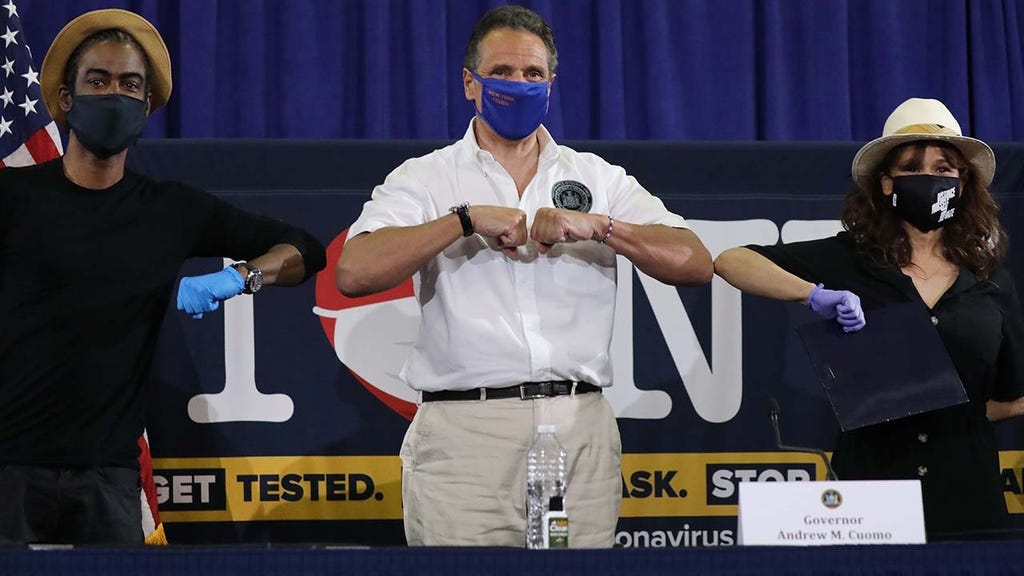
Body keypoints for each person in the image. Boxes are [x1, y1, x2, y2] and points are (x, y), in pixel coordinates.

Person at [335, 5, 712, 548]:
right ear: (470, 83)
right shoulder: (426, 178)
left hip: (578, 430)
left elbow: (695, 262)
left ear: (551, 84)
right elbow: (354, 271)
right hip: (465, 438)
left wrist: (601, 227)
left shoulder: (597, 178)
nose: (519, 84)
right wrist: (463, 220)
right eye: (502, 72)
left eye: (533, 73)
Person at [0, 9, 325, 545]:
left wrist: (242, 278)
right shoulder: (13, 197)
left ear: (147, 105)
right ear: (65, 98)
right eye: (97, 81)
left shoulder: (170, 210)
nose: (114, 95)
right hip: (8, 470)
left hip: (109, 478)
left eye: (130, 85)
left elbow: (306, 250)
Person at [715, 97, 1024, 540]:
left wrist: (946, 405)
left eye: (943, 169)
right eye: (912, 168)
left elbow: (1011, 397)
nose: (929, 178)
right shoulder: (850, 259)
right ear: (885, 183)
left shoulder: (990, 279)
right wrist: (812, 294)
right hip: (872, 491)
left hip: (968, 495)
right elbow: (731, 260)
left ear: (962, 183)